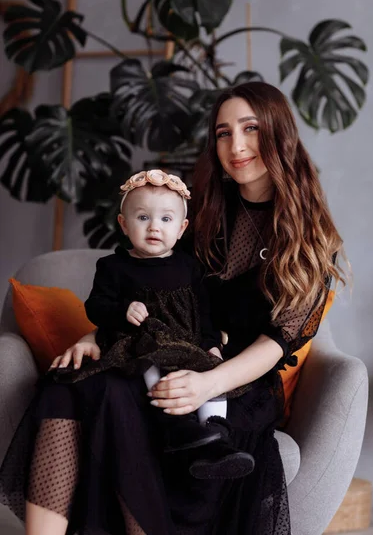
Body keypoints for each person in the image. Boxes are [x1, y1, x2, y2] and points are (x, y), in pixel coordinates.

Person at [0, 82, 346, 535]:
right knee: (69, 383)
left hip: (232, 384)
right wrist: (94, 337)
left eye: (250, 129)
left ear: (279, 134)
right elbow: (146, 282)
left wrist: (207, 384)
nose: (236, 146)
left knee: (124, 397)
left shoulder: (311, 239)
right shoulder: (197, 213)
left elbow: (277, 342)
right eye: (223, 133)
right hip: (156, 350)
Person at [53, 168, 254, 478]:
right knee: (150, 357)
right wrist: (122, 310)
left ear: (182, 227)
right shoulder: (113, 267)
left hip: (188, 342)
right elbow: (96, 307)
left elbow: (205, 313)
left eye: (165, 219)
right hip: (139, 343)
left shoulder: (189, 266)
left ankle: (216, 436)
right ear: (123, 223)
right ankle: (174, 425)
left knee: (212, 370)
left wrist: (212, 344)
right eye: (143, 217)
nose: (154, 227)